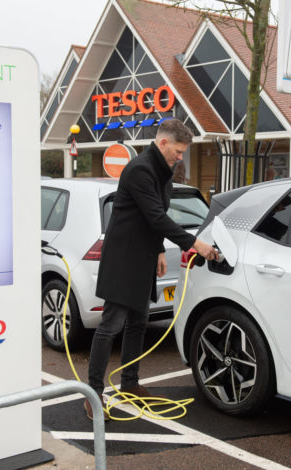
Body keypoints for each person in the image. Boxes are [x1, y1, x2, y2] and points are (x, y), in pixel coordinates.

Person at [85, 118, 218, 420]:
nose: (180, 157)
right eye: (179, 151)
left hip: (143, 257)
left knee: (138, 323)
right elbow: (157, 217)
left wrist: (158, 249)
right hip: (123, 259)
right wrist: (196, 245)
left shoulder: (163, 174)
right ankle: (92, 396)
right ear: (163, 143)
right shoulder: (141, 170)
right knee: (110, 326)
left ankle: (130, 385)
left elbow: (153, 217)